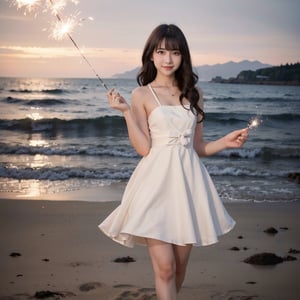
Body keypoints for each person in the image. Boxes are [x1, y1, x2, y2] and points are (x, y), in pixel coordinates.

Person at [99, 24, 248, 300]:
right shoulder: (141, 95)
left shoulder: (194, 93)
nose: (168, 59)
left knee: (179, 269)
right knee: (165, 270)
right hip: (154, 184)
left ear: (183, 56)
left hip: (188, 186)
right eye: (162, 51)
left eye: (175, 52)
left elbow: (198, 147)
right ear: (151, 55)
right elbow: (144, 148)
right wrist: (125, 113)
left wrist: (226, 141)